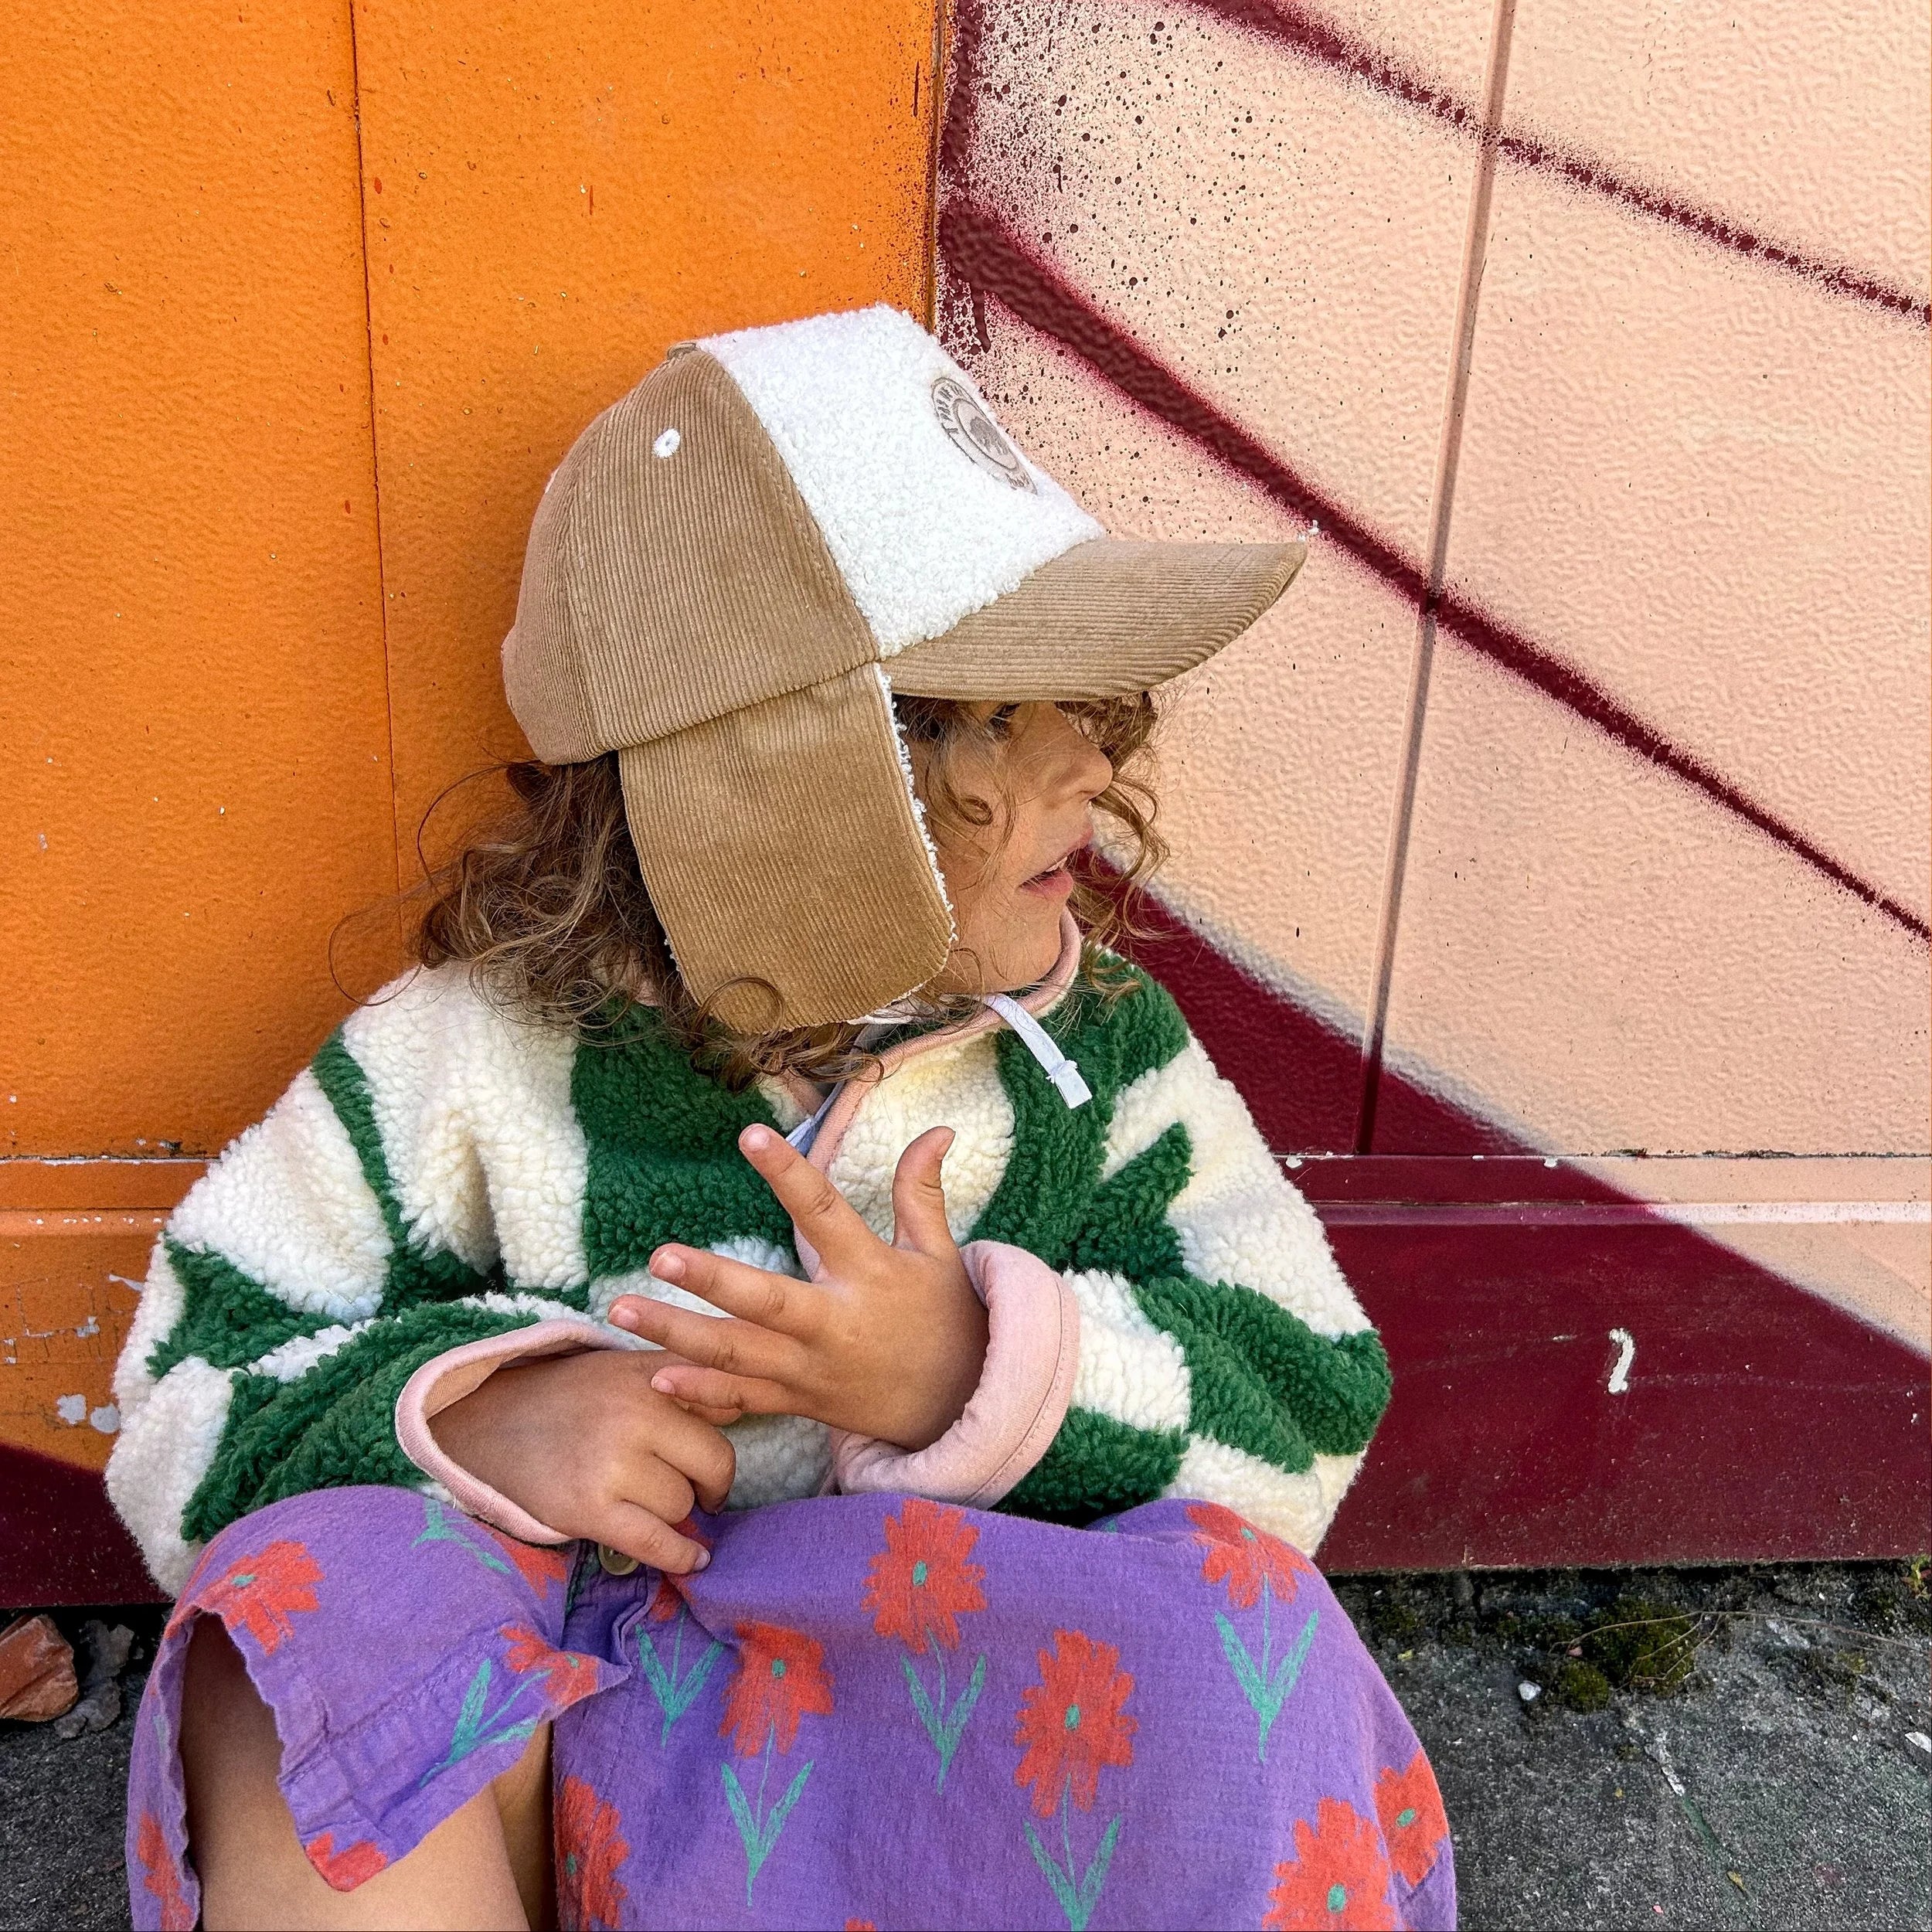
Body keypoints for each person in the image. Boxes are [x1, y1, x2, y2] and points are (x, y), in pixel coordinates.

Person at [110, 304, 1454, 1931]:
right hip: (561, 1728)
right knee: (301, 1621)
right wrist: (478, 1419)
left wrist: (971, 1372)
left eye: (1081, 702)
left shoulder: (1097, 1062)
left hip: (906, 1763)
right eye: (989, 711)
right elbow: (184, 1391)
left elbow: (1309, 1400)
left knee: (1241, 1626)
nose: (1089, 766)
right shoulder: (479, 1052)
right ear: (768, 779)